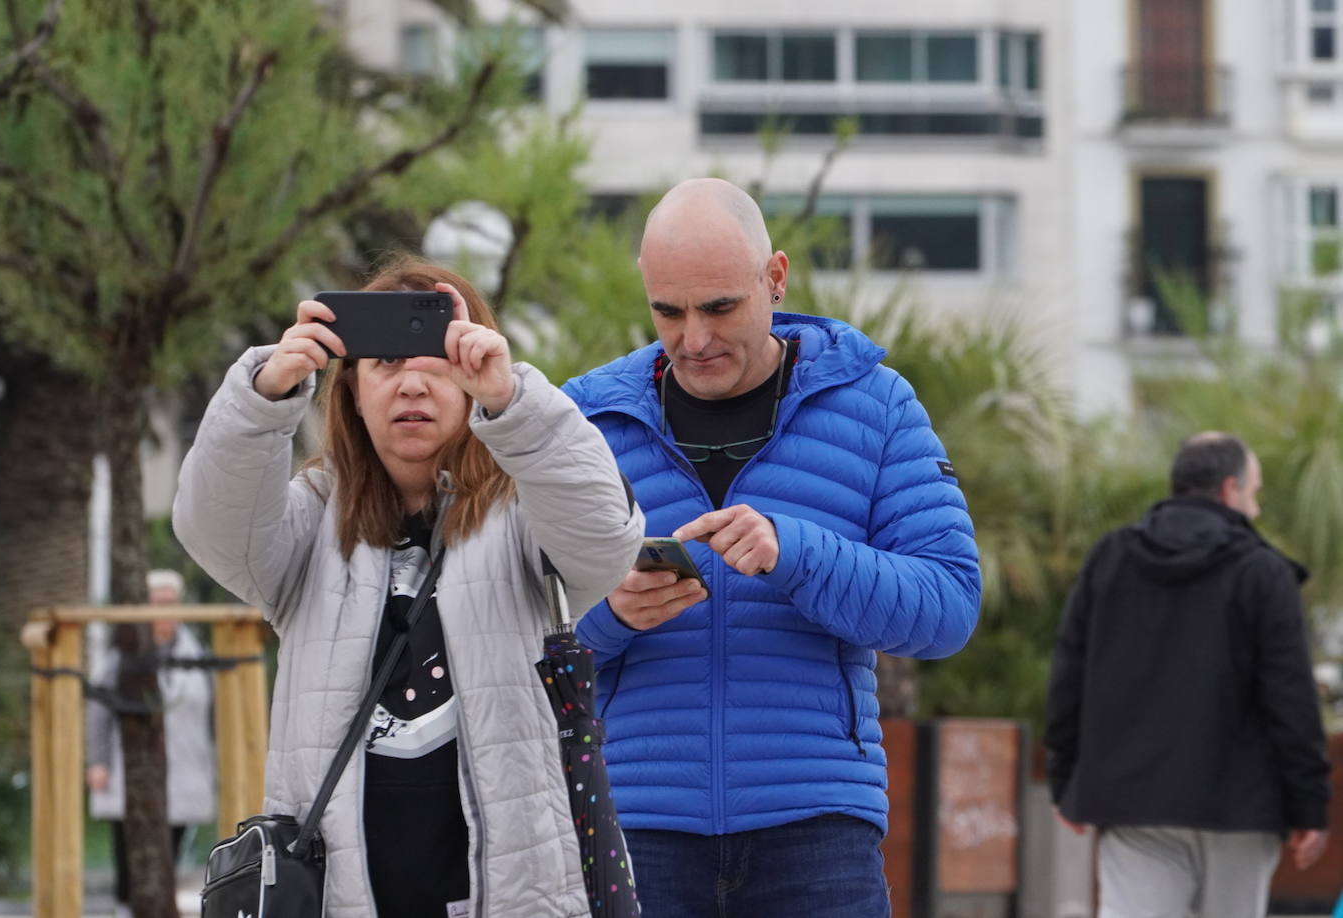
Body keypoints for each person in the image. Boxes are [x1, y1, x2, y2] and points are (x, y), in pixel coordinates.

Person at [561, 178, 981, 917]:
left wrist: (800, 554)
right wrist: (611, 613)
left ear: (775, 278)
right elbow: (512, 629)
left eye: (719, 307)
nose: (694, 339)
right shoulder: (585, 421)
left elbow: (948, 608)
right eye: (668, 311)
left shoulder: (878, 405)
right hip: (637, 821)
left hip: (817, 826)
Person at [173, 258, 644, 918]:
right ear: (352, 390)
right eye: (387, 363)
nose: (412, 384)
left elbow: (605, 537)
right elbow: (215, 531)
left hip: (512, 895)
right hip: (340, 895)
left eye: (439, 361)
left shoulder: (525, 511)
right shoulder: (312, 518)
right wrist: (264, 397)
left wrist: (513, 401)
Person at [1045, 432, 1332, 918]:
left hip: (1133, 802)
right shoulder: (1263, 572)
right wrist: (1309, 805)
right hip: (1240, 808)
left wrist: (1064, 782)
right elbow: (1290, 698)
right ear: (1229, 489)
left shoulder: (1111, 558)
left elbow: (1069, 672)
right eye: (1254, 492)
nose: (1256, 507)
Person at [85, 568, 215, 918]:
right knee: (130, 856)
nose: (165, 611)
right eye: (158, 603)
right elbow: (98, 711)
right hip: (132, 771)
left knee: (168, 856)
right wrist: (98, 761)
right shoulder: (120, 657)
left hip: (184, 770)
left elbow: (215, 715)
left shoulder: (199, 656)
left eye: (171, 602)